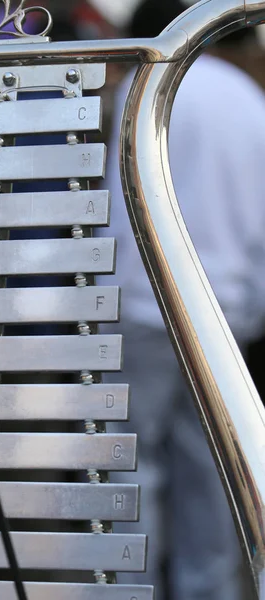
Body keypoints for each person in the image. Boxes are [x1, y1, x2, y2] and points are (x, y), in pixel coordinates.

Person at [98, 1, 265, 599]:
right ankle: (210, 592)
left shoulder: (143, 90)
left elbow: (114, 207)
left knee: (127, 470)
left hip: (139, 305)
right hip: (223, 316)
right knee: (216, 475)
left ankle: (126, 589)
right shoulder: (250, 102)